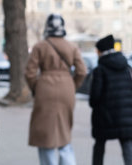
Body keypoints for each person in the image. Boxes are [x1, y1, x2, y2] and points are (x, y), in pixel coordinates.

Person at [25, 13, 87, 165]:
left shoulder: (40, 46)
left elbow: (29, 73)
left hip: (45, 89)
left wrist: (36, 88)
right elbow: (82, 71)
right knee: (64, 132)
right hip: (67, 89)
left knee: (45, 135)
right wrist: (72, 86)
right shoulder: (72, 47)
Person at [89, 34, 132, 165]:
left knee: (99, 146)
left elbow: (95, 97)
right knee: (128, 146)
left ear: (101, 51)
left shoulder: (99, 70)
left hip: (105, 116)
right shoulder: (127, 67)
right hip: (126, 115)